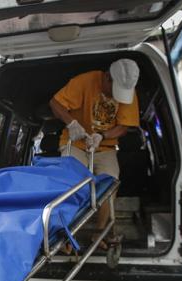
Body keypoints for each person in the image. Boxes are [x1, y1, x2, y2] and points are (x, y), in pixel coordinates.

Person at [49, 59, 140, 247]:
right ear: (107, 78)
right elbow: (55, 103)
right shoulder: (85, 81)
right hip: (74, 142)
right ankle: (67, 233)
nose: (116, 97)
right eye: (114, 91)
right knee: (72, 183)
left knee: (111, 182)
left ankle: (100, 233)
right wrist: (71, 123)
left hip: (104, 146)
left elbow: (124, 126)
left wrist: (102, 136)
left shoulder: (128, 90)